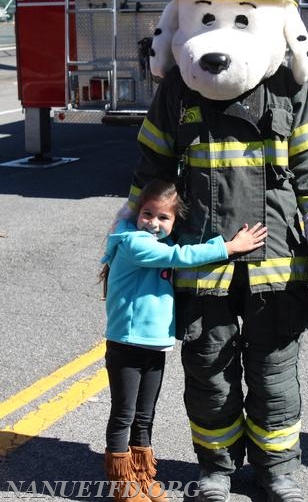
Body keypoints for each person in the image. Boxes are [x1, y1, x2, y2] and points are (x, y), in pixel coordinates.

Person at [126, 0, 308, 502]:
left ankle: (277, 470)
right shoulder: (176, 93)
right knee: (208, 375)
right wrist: (126, 247)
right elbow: (150, 172)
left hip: (276, 270)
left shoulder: (288, 91)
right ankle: (217, 470)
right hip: (202, 267)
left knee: (274, 377)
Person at [100, 179, 267, 502]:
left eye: (164, 218)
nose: (154, 223)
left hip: (153, 343)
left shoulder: (151, 241)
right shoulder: (135, 243)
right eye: (148, 214)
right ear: (137, 212)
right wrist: (229, 247)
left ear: (175, 221)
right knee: (124, 413)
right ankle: (121, 483)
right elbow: (182, 256)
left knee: (144, 415)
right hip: (126, 344)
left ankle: (142, 475)